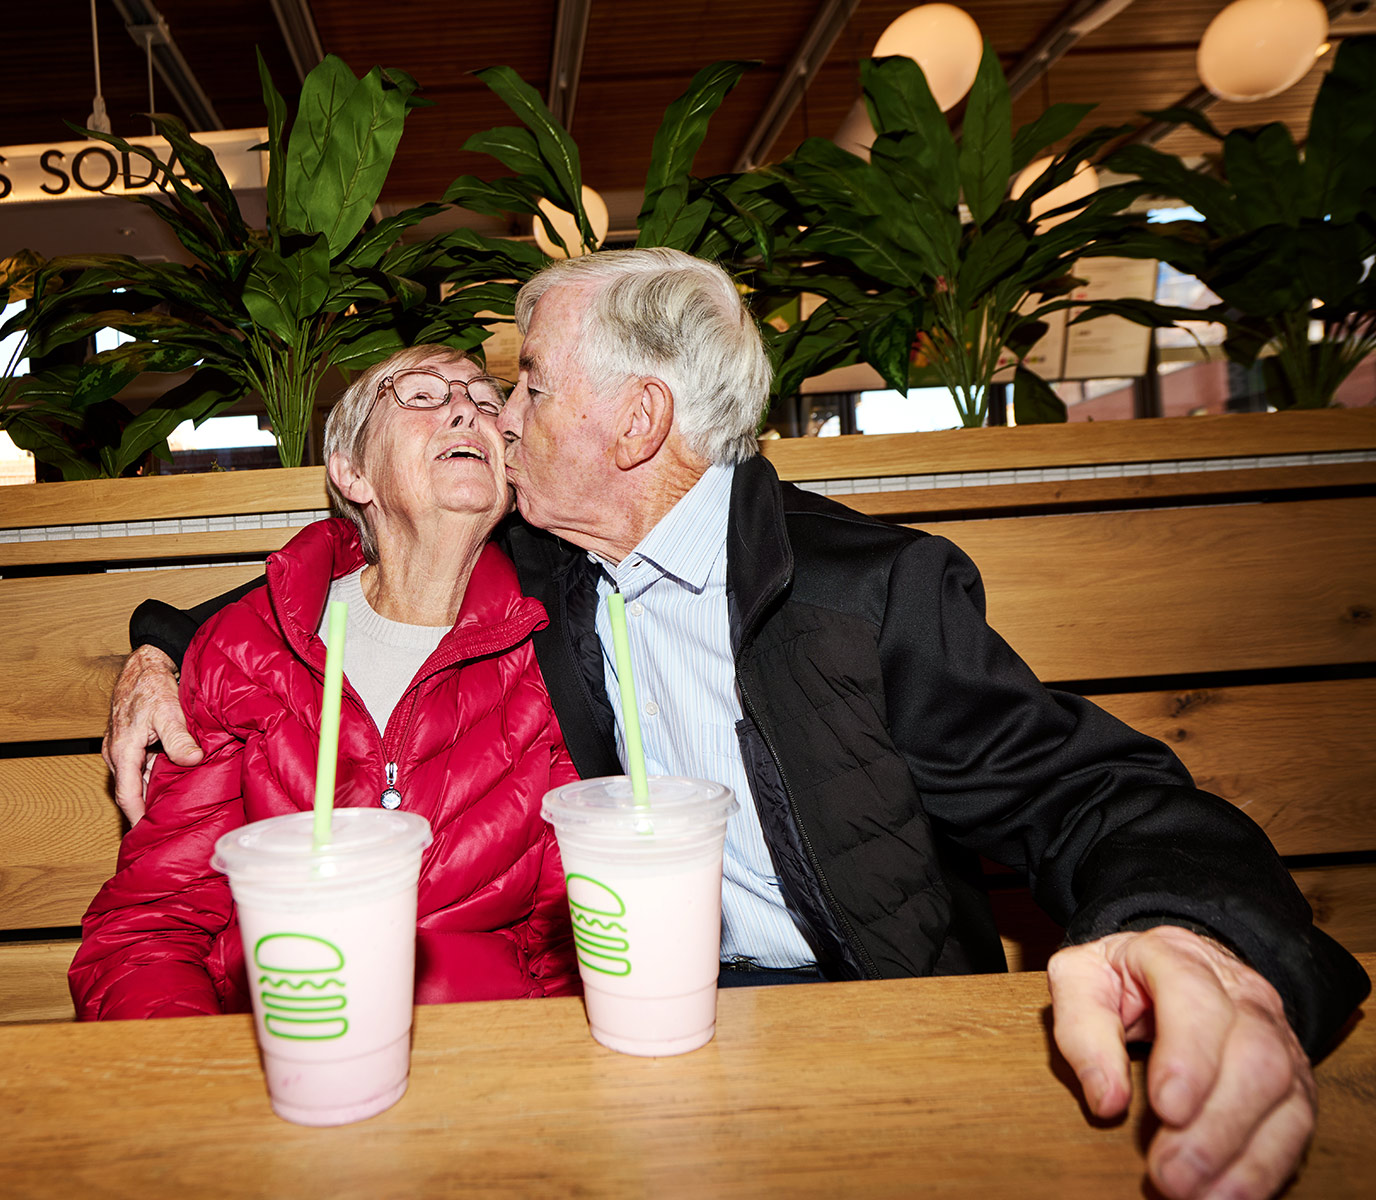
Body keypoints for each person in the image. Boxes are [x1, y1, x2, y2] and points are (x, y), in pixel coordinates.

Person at [105, 250, 1367, 1200]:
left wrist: (1201, 938)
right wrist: (163, 639)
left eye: (530, 386)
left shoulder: (865, 593)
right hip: (641, 1036)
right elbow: (354, 559)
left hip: (875, 1041)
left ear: (637, 426)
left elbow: (1097, 800)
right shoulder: (551, 565)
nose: (499, 417)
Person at [71, 345, 581, 1020]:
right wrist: (202, 1089)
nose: (465, 409)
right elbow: (151, 932)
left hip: (489, 1061)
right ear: (352, 473)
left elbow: (565, 943)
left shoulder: (555, 653)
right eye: (424, 396)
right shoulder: (253, 648)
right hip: (289, 1043)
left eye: (486, 403)